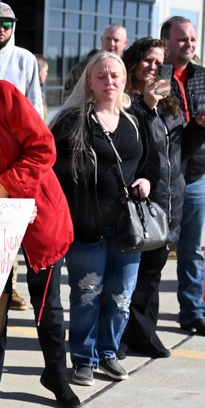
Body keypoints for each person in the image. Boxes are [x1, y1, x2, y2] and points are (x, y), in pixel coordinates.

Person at [0, 74, 77, 408]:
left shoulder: (0, 94)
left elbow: (43, 148)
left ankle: (56, 374)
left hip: (37, 207)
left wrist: (4, 187)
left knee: (47, 302)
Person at [51, 51, 155, 385]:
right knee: (86, 294)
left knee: (121, 295)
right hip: (86, 226)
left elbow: (151, 161)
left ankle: (108, 353)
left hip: (128, 228)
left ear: (124, 80)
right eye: (101, 76)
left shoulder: (135, 117)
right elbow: (52, 169)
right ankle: (83, 358)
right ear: (89, 82)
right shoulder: (72, 121)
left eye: (115, 75)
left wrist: (147, 180)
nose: (109, 81)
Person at [121, 37, 205, 358]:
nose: (154, 67)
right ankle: (129, 337)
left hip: (169, 201)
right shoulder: (127, 101)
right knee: (134, 276)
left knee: (152, 274)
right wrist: (146, 104)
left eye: (160, 63)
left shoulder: (168, 101)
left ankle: (142, 335)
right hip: (140, 204)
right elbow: (133, 146)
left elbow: (179, 151)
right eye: (148, 60)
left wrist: (199, 129)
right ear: (132, 62)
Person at [161, 16, 205, 337]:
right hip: (164, 181)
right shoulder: (156, 78)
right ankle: (141, 320)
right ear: (167, 43)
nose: (189, 44)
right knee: (155, 250)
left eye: (193, 39)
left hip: (198, 176)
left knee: (191, 250)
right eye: (182, 39)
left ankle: (192, 312)